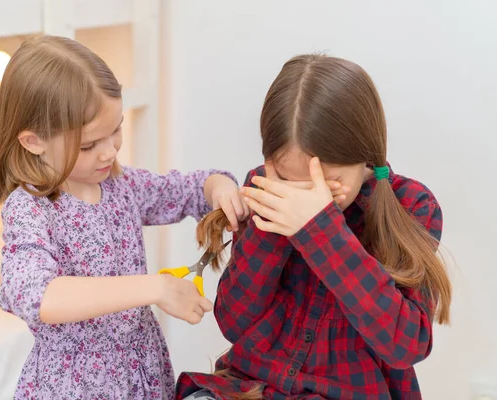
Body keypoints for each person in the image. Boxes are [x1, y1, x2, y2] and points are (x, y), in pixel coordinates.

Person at [0, 35, 247, 400]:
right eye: (89, 145)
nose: (109, 152)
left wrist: (219, 188)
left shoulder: (121, 185)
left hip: (142, 376)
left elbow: (188, 189)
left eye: (116, 129)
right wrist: (155, 287)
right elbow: (35, 294)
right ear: (33, 141)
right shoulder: (31, 208)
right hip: (74, 388)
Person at [177, 54, 452, 400]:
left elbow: (405, 345)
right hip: (254, 387)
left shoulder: (412, 205)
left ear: (366, 154)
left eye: (330, 181)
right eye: (292, 180)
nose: (308, 194)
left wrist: (322, 231)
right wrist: (273, 223)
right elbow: (234, 323)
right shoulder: (266, 190)